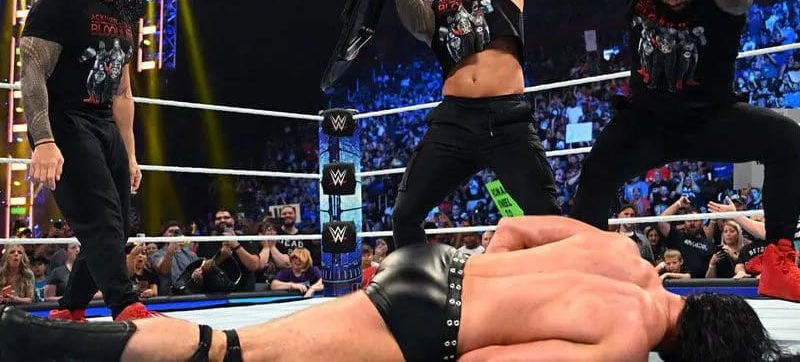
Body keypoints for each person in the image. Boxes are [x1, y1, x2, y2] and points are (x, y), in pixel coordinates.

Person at [0, 216, 791, 361]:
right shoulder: (625, 340)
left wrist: (488, 289)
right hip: (430, 322)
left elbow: (513, 231)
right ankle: (27, 341)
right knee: (231, 354)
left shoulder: (625, 251)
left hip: (435, 267)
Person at [560, 0, 800, 300]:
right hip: (648, 119)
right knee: (595, 172)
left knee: (788, 138)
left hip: (711, 117)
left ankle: (779, 261)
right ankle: (585, 271)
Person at [366, 0, 558, 248]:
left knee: (546, 215)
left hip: (507, 120)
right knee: (404, 215)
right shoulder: (435, 9)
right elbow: (414, 22)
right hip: (454, 122)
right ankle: (419, 281)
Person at [19, 0, 158, 320]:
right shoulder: (59, 3)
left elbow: (122, 92)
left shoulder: (123, 13)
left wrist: (130, 153)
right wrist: (43, 141)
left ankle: (71, 308)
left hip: (105, 126)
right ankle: (125, 304)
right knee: (102, 220)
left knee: (121, 225)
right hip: (66, 121)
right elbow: (32, 74)